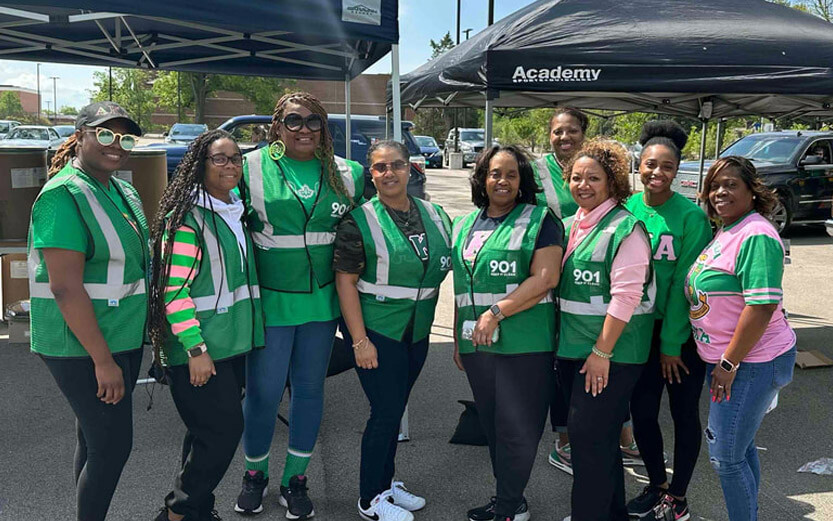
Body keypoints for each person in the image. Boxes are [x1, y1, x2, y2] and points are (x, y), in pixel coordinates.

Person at [235, 91, 365, 519]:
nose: (304, 129)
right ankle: (254, 475)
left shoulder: (349, 172)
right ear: (277, 126)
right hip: (270, 301)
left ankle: (296, 478)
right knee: (263, 393)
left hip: (323, 302)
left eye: (313, 121)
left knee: (310, 391)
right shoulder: (249, 167)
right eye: (293, 121)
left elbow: (369, 229)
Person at [28, 101, 147, 521]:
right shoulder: (63, 195)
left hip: (122, 334)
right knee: (113, 447)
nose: (117, 144)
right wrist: (103, 361)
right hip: (82, 344)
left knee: (95, 440)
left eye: (125, 137)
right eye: (105, 133)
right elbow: (63, 286)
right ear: (80, 136)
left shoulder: (120, 188)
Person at [334, 140, 453, 521]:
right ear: (371, 173)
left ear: (410, 169)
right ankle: (370, 499)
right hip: (379, 331)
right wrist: (359, 340)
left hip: (416, 333)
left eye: (397, 165)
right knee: (384, 413)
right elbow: (345, 282)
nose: (389, 173)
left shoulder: (434, 214)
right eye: (381, 167)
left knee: (394, 409)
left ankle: (386, 485)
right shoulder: (359, 220)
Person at [148, 130, 264, 521]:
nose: (231, 165)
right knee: (223, 433)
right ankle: (177, 512)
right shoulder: (187, 219)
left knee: (204, 433)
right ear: (200, 166)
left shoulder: (233, 210)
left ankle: (198, 510)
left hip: (231, 344)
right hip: (198, 349)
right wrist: (196, 349)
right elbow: (173, 290)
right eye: (220, 158)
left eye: (236, 158)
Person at [452, 145, 564, 521]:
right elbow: (462, 287)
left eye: (511, 174)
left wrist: (496, 312)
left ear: (522, 182)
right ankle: (510, 499)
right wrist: (457, 339)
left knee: (518, 427)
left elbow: (546, 278)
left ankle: (507, 505)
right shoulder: (466, 224)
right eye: (495, 173)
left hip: (525, 344)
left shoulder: (540, 219)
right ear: (482, 178)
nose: (502, 181)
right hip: (477, 344)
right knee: (493, 425)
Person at [686, 157, 796, 521]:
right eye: (715, 185)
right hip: (728, 360)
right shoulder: (729, 229)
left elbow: (761, 307)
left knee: (725, 458)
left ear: (752, 191)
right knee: (740, 446)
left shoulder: (757, 235)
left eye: (731, 184)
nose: (720, 192)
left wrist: (729, 363)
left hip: (749, 362)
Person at [557, 139, 654, 521]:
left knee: (587, 447)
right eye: (576, 177)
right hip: (575, 349)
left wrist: (601, 353)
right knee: (598, 444)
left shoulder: (625, 229)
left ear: (612, 183)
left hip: (609, 355)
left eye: (593, 178)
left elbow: (626, 297)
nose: (583, 184)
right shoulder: (573, 225)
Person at [624, 122, 713, 520]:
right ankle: (657, 483)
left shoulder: (691, 217)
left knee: (682, 412)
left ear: (677, 171)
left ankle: (678, 496)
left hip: (680, 336)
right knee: (642, 411)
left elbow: (683, 284)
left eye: (666, 167)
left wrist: (672, 345)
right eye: (649, 165)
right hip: (639, 329)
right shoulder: (627, 209)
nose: (656, 173)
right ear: (638, 166)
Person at [531, 108, 583, 220]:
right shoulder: (534, 170)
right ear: (550, 137)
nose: (564, 137)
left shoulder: (599, 169)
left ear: (583, 135)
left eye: (573, 131)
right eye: (558, 132)